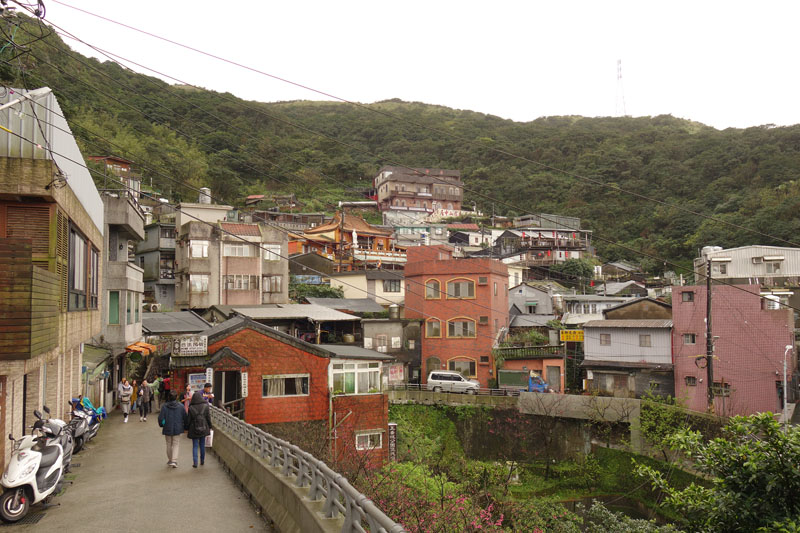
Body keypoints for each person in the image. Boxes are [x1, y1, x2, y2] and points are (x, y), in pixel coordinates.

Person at [158, 392, 188, 468]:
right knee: (175, 444)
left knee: (168, 444)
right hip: (178, 427)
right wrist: (186, 427)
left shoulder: (164, 406)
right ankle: (174, 460)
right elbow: (185, 417)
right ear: (176, 397)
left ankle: (170, 459)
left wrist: (162, 424)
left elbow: (161, 418)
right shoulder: (181, 406)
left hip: (167, 427)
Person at [187, 391, 211, 468]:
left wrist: (186, 428)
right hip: (203, 428)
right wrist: (210, 426)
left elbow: (189, 420)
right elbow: (208, 418)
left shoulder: (191, 408)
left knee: (195, 446)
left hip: (194, 429)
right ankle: (202, 461)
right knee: (202, 445)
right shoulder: (205, 406)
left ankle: (195, 463)